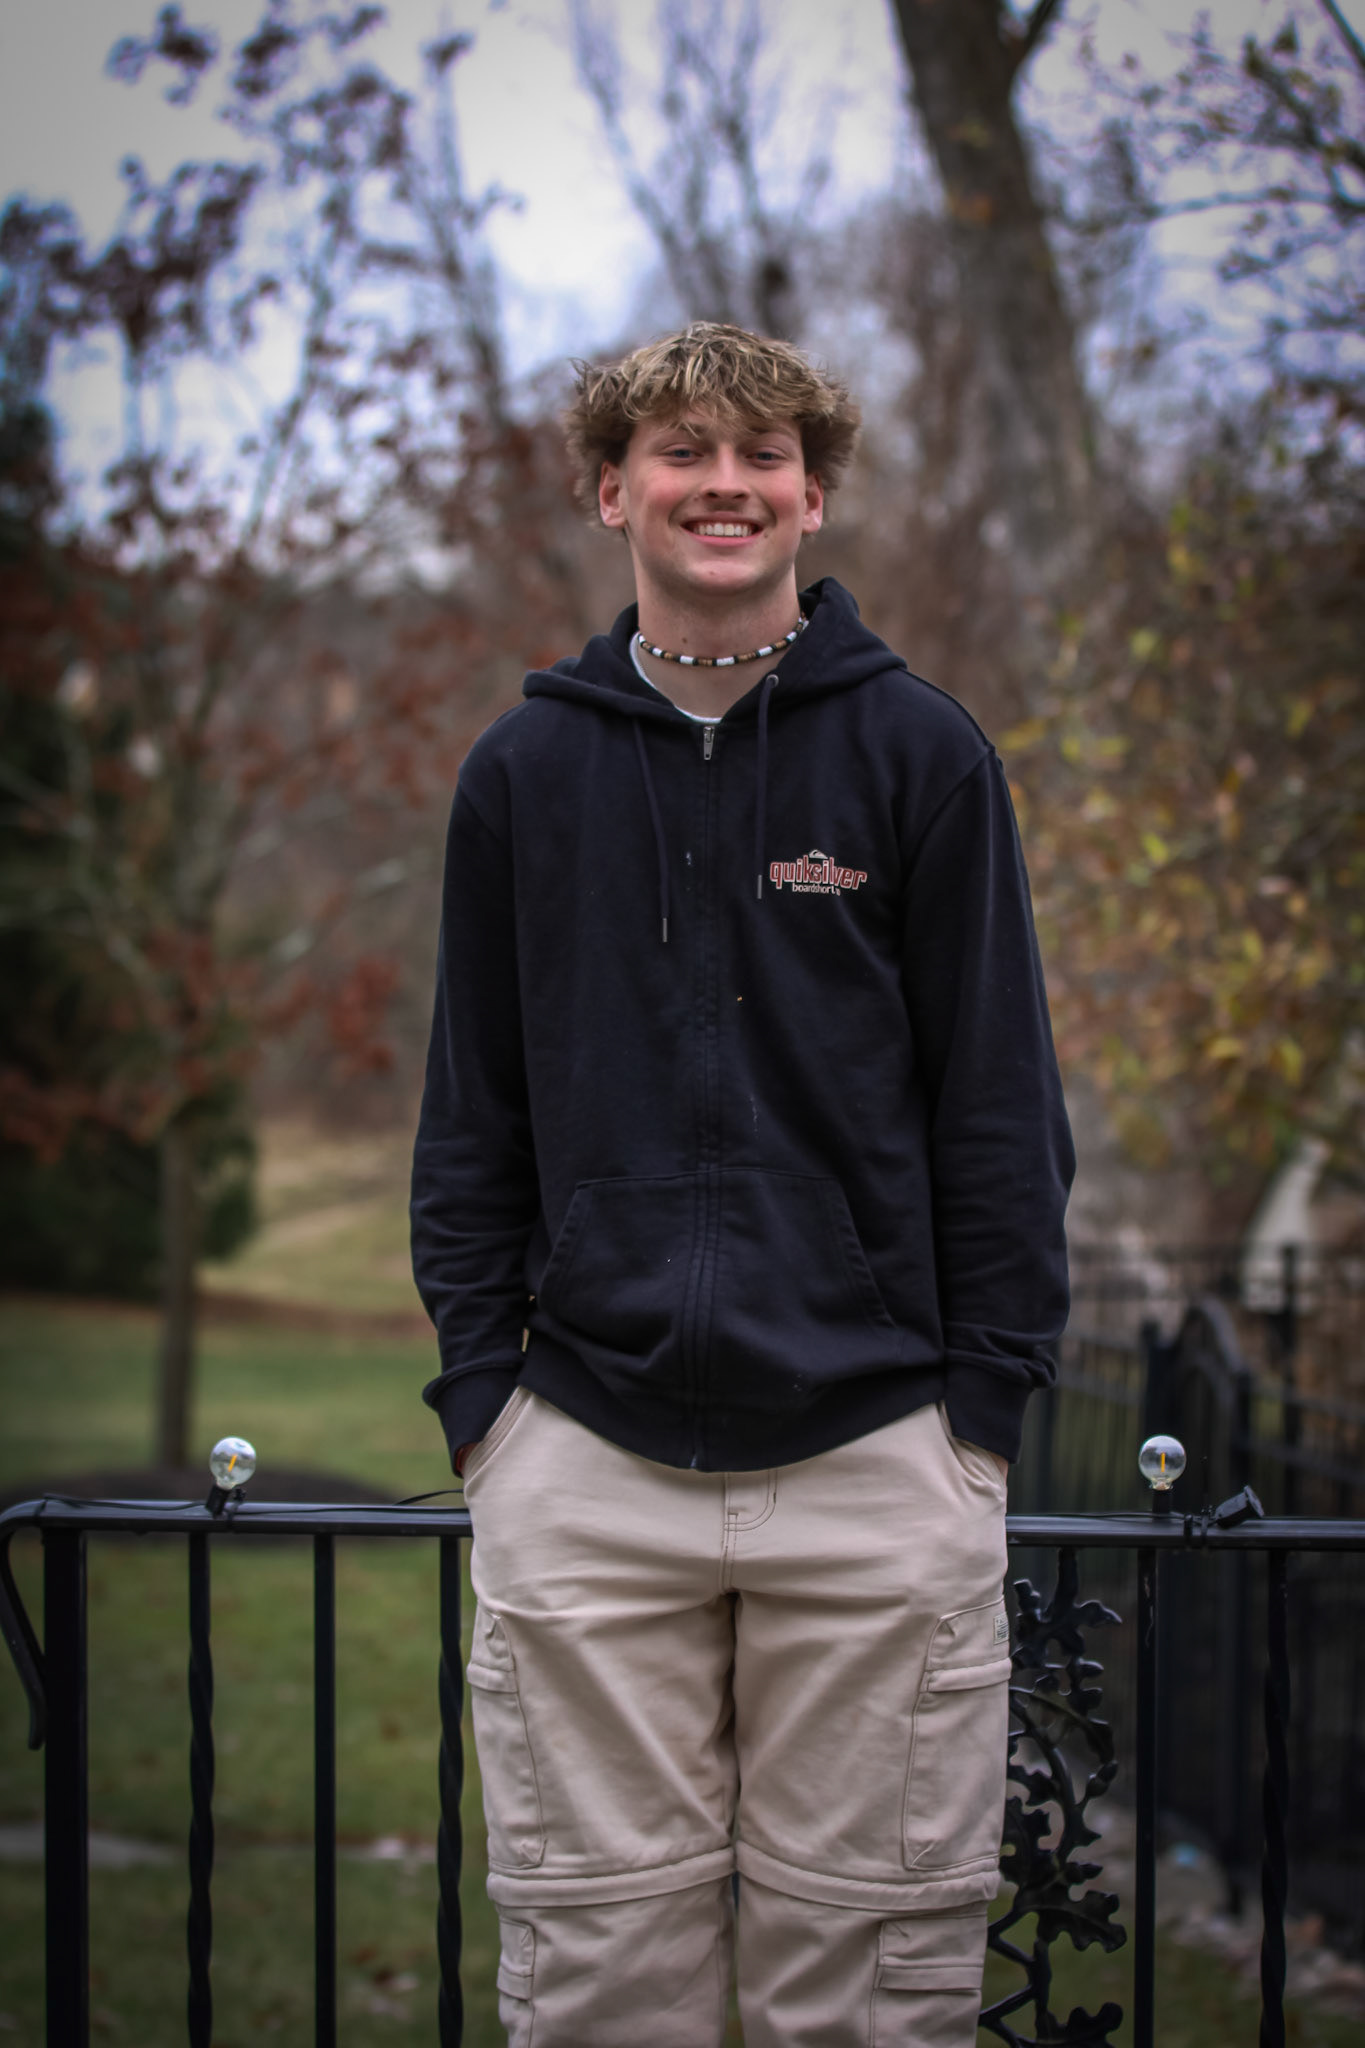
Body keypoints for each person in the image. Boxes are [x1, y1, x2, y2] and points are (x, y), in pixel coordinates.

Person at [411, 321, 1073, 2048]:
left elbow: (1000, 1110)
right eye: (683, 451)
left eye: (764, 454)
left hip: (877, 1459)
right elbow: (471, 1118)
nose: (726, 484)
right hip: (586, 1457)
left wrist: (978, 1419)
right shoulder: (521, 775)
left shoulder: (919, 754)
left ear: (813, 496)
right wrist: (487, 1406)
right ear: (609, 490)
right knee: (599, 1987)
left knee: (863, 1991)